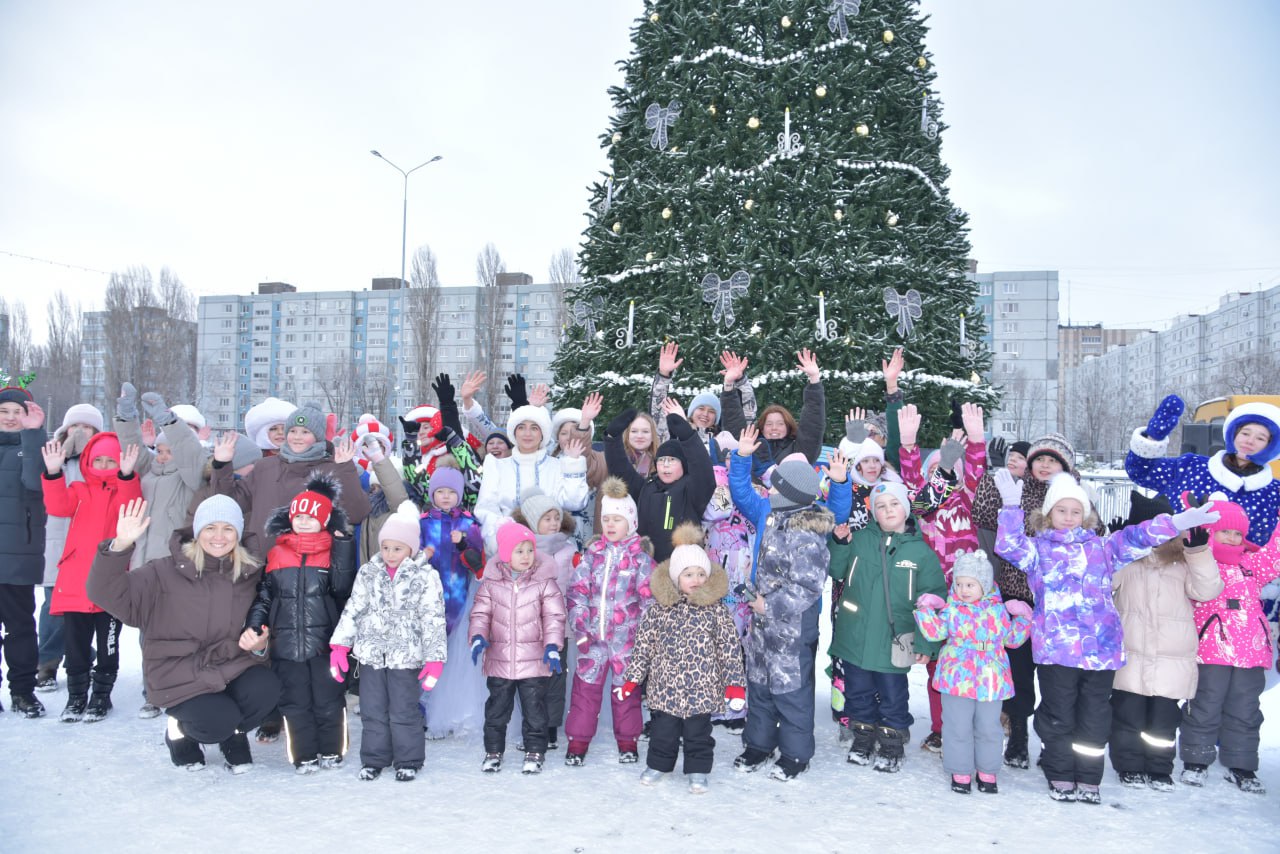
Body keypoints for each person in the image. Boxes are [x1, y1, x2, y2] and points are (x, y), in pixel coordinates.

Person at [993, 468, 1216, 803]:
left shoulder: (1103, 548)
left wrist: (1177, 522)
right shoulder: (1037, 551)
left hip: (1101, 652)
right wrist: (1011, 509)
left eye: (1075, 511)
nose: (1068, 517)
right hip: (1057, 651)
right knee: (1058, 715)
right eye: (1061, 510)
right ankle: (1060, 772)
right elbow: (1008, 545)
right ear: (1048, 514)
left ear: (1086, 516)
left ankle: (1088, 777)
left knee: (1095, 718)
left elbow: (1139, 536)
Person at [86, 496, 281, 772]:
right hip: (178, 673)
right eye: (210, 528)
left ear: (238, 533)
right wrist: (120, 546)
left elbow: (261, 625)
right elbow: (104, 592)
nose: (219, 536)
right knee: (218, 720)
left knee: (266, 688)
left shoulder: (249, 575)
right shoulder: (162, 572)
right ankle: (180, 732)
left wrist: (260, 645)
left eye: (228, 529)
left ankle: (233, 733)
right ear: (197, 531)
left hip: (230, 666)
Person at [729, 425, 848, 782]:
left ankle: (796, 753)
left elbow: (808, 585)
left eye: (776, 485)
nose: (769, 488)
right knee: (760, 684)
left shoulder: (807, 534)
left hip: (792, 627)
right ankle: (758, 743)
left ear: (792, 494)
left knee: (791, 690)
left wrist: (770, 606)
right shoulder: (773, 517)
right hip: (762, 624)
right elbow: (742, 493)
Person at [971, 432, 1081, 769]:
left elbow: (1094, 534)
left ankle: (1053, 743)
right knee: (1018, 674)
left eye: (1053, 460)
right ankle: (1017, 735)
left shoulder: (1076, 497)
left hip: (1059, 606)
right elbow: (982, 513)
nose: (1045, 465)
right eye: (1040, 459)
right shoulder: (1018, 489)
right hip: (1017, 598)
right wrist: (998, 481)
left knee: (1056, 680)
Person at [618, 523, 746, 793]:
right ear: (676, 578)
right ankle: (659, 766)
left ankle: (698, 770)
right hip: (665, 688)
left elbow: (730, 649)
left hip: (702, 689)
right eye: (688, 574)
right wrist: (632, 679)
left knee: (698, 734)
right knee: (662, 733)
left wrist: (734, 684)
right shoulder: (659, 610)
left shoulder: (716, 611)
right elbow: (644, 646)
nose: (696, 579)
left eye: (701, 573)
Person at [828, 480, 946, 773]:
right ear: (873, 513)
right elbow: (837, 570)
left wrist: (927, 643)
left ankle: (892, 743)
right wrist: (840, 544)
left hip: (895, 639)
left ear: (905, 509)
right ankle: (863, 738)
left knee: (894, 696)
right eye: (881, 506)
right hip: (855, 636)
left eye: (894, 504)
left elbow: (933, 601)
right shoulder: (859, 539)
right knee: (858, 692)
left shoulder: (921, 553)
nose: (888, 510)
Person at [1108, 492, 1222, 791]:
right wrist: (1116, 546)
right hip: (1131, 655)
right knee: (1127, 717)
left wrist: (1199, 553)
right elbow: (1103, 582)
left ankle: (1159, 768)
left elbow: (1207, 590)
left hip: (1171, 660)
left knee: (1163, 722)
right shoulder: (1129, 563)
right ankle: (1128, 765)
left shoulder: (1182, 561)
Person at [242, 475, 357, 773]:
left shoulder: (333, 552)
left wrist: (344, 545)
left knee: (329, 700)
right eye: (299, 516)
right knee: (294, 703)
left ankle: (332, 749)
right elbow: (265, 596)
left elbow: (342, 588)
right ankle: (303, 754)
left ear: (325, 520)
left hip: (324, 647)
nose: (304, 522)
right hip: (286, 647)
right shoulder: (277, 553)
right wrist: (256, 624)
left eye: (311, 517)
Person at [329, 504, 446, 781]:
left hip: (406, 657)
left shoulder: (425, 577)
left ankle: (408, 759)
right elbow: (354, 609)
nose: (390, 554)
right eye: (385, 548)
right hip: (372, 655)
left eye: (397, 548)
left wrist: (435, 659)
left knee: (403, 710)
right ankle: (374, 758)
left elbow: (433, 618)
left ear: (411, 549)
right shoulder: (369, 573)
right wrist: (340, 646)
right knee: (372, 710)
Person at [1179, 498, 1279, 795]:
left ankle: (1242, 764)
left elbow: (1275, 553)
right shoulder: (1198, 561)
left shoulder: (1252, 564)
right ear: (1210, 531)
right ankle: (1196, 760)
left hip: (1251, 652)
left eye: (1238, 533)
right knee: (1204, 705)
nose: (1233, 538)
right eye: (1226, 531)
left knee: (1246, 709)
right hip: (1211, 649)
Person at [42, 431, 142, 723]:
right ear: (88, 461)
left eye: (110, 460)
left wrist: (126, 476)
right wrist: (53, 473)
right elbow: (57, 506)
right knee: (75, 646)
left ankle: (101, 696)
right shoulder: (78, 489)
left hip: (110, 584)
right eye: (98, 460)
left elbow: (131, 505)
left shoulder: (124, 490)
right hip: (76, 582)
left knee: (108, 646)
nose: (103, 465)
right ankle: (76, 697)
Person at [914, 550, 1031, 794]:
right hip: (957, 678)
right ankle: (960, 770)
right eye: (959, 584)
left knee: (989, 727)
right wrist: (925, 609)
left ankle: (988, 770)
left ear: (984, 585)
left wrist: (1022, 618)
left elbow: (1012, 640)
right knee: (957, 726)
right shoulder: (952, 610)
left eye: (970, 585)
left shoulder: (998, 611)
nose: (963, 590)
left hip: (991, 679)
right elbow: (934, 633)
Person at [563, 477, 654, 766]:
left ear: (631, 523)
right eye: (606, 520)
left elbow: (649, 601)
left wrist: (644, 638)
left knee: (626, 692)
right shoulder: (593, 555)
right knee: (584, 691)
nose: (611, 525)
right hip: (591, 639)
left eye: (617, 519)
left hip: (626, 641)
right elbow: (577, 592)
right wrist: (580, 627)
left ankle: (628, 742)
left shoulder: (640, 559)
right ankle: (577, 742)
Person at [470, 521, 567, 775]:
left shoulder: (544, 582)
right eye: (519, 551)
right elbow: (480, 613)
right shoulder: (491, 584)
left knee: (535, 709)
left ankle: (535, 750)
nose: (526, 556)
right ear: (505, 554)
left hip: (534, 661)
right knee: (496, 710)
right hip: (500, 659)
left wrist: (552, 645)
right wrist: (478, 636)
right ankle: (493, 751)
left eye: (530, 550)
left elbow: (554, 616)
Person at [1126, 396, 1280, 547]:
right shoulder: (1191, 465)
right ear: (1233, 434)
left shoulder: (1274, 492)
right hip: (1169, 560)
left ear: (1271, 446)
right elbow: (1142, 472)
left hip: (1235, 565)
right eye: (1245, 433)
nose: (1250, 441)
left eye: (1260, 438)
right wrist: (1153, 438)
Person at [37, 402, 105, 693]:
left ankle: (82, 656)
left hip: (88, 547)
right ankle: (47, 663)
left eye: (87, 427)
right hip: (57, 543)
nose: (79, 432)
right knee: (54, 608)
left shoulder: (101, 461)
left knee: (84, 609)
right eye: (75, 426)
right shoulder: (54, 456)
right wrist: (61, 459)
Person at [417, 462, 488, 739]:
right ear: (432, 494)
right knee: (430, 654)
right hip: (429, 601)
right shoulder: (424, 523)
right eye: (440, 491)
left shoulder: (468, 523)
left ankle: (450, 710)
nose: (445, 496)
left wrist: (464, 543)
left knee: (454, 657)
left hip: (460, 598)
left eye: (451, 492)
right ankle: (424, 709)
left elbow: (478, 561)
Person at [604, 401, 716, 562]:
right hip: (645, 564)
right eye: (661, 460)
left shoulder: (692, 489)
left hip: (682, 565)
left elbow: (702, 469)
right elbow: (621, 470)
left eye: (672, 460)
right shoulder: (647, 487)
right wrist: (612, 439)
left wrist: (687, 434)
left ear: (683, 464)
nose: (666, 465)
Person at [474, 402, 589, 556]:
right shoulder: (497, 466)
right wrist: (500, 540)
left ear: (543, 434)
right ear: (514, 433)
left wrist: (573, 463)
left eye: (534, 428)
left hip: (551, 551)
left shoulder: (558, 466)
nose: (527, 433)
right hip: (509, 550)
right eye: (521, 427)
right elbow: (486, 509)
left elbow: (574, 503)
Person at [512, 489, 579, 750]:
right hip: (529, 626)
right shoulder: (523, 551)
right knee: (530, 679)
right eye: (546, 519)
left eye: (556, 518)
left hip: (557, 626)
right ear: (532, 522)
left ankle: (550, 728)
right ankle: (532, 728)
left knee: (555, 677)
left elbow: (576, 586)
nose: (553, 523)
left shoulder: (568, 550)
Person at [0, 381, 47, 718]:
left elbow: (35, 482)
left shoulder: (35, 446)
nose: (11, 417)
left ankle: (23, 692)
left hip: (18, 556)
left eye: (18, 411)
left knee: (20, 629)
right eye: (4, 411)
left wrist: (33, 435)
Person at [721, 349, 825, 481]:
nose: (774, 428)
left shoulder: (800, 451)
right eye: (769, 424)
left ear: (788, 427)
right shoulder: (750, 446)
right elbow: (733, 421)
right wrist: (728, 384)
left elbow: (813, 423)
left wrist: (814, 380)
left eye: (780, 423)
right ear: (762, 428)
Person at [649, 343, 757, 462]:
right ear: (691, 412)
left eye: (711, 411)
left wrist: (740, 381)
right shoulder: (674, 436)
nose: (705, 414)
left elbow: (748, 414)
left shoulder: (725, 438)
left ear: (716, 418)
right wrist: (663, 376)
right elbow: (658, 413)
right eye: (701, 408)